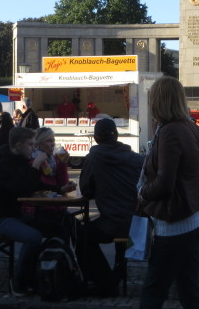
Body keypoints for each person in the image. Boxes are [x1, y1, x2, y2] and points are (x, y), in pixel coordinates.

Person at [138, 76, 199, 309]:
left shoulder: (170, 132)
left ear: (158, 101)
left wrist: (143, 192)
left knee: (154, 290)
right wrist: (197, 192)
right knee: (188, 288)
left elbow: (164, 183)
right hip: (194, 218)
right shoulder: (189, 126)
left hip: (174, 224)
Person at [0, 127, 76, 297]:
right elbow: (22, 189)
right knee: (33, 237)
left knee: (59, 228)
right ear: (19, 145)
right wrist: (35, 165)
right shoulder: (4, 164)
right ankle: (19, 282)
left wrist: (59, 189)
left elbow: (35, 184)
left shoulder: (20, 160)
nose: (33, 149)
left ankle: (52, 271)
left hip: (16, 215)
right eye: (31, 145)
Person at [78, 118, 143, 296]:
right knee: (118, 220)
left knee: (82, 235)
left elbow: (86, 190)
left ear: (96, 138)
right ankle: (118, 269)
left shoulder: (93, 158)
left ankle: (104, 281)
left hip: (112, 224)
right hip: (137, 225)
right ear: (117, 135)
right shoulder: (136, 158)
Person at [21, 127, 75, 240]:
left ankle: (64, 250)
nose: (53, 144)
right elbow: (40, 187)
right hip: (38, 210)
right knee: (65, 229)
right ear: (38, 144)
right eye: (49, 141)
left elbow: (62, 184)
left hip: (55, 208)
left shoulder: (53, 160)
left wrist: (63, 164)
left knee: (77, 228)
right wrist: (60, 189)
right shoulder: (33, 161)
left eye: (53, 140)